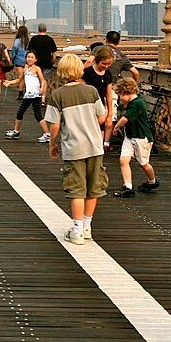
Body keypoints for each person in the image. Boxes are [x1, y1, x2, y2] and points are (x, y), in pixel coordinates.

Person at [45, 55, 109, 245]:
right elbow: (102, 117)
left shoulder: (58, 95)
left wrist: (52, 144)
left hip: (74, 148)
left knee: (76, 189)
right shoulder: (91, 91)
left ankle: (77, 230)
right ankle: (87, 227)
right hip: (95, 146)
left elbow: (54, 125)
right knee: (93, 187)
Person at [110, 78, 160, 197]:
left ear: (127, 92)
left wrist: (115, 128)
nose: (120, 98)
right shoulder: (132, 103)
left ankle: (152, 181)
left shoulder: (137, 103)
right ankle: (128, 187)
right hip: (130, 136)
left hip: (141, 137)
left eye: (121, 95)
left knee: (144, 163)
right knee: (123, 160)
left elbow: (125, 119)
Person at [3, 51, 51, 142]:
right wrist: (9, 82)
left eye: (32, 57)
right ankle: (16, 131)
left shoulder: (37, 69)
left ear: (36, 59)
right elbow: (19, 80)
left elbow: (43, 80)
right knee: (21, 113)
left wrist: (42, 89)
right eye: (28, 57)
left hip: (35, 94)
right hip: (28, 94)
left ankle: (47, 134)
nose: (30, 59)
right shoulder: (25, 69)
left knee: (37, 114)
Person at [82, 45, 116, 152]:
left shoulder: (108, 74)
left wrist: (110, 112)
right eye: (104, 63)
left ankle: (99, 148)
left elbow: (109, 94)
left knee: (100, 128)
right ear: (97, 60)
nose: (106, 66)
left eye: (108, 64)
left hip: (101, 104)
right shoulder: (87, 72)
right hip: (88, 105)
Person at [10, 25, 30, 99]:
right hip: (27, 61)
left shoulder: (17, 41)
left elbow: (14, 49)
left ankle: (21, 93)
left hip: (19, 61)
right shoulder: (28, 41)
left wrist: (13, 58)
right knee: (27, 77)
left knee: (21, 77)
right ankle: (27, 92)